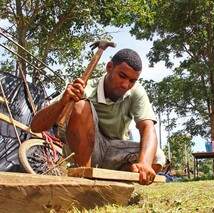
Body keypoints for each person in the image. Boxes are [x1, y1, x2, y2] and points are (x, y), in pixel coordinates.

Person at [30, 48, 166, 185]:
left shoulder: (136, 92)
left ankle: (118, 180)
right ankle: (85, 179)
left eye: (132, 81)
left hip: (115, 151)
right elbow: (35, 126)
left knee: (156, 156)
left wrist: (145, 163)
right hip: (84, 153)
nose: (126, 85)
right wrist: (62, 102)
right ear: (109, 67)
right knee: (80, 106)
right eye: (122, 76)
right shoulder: (85, 88)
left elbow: (147, 127)